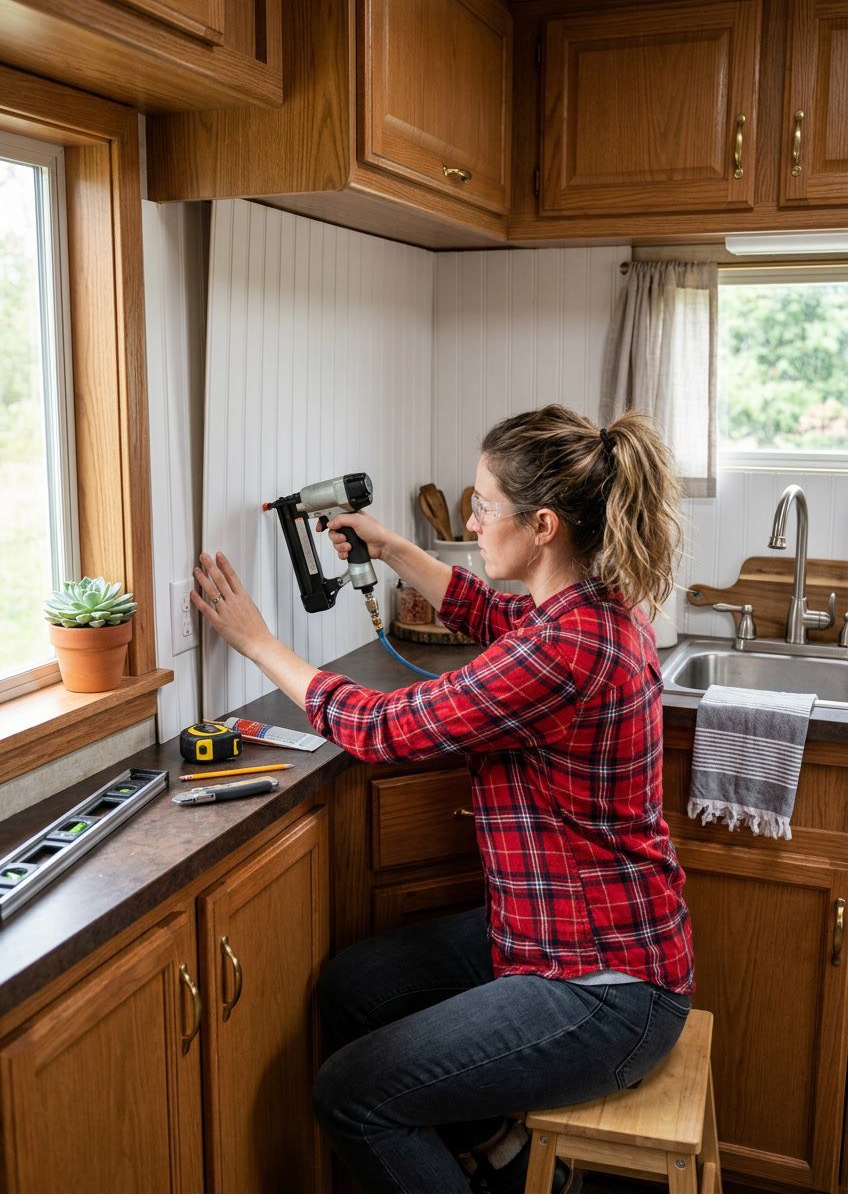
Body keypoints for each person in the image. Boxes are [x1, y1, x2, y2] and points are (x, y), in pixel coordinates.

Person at [191, 405, 694, 1194]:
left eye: (483, 505)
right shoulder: (590, 602)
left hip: (605, 990)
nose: (471, 518)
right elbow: (490, 612)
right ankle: (500, 1156)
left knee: (353, 1095)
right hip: (564, 936)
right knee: (356, 987)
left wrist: (258, 642)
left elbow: (382, 726)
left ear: (543, 527)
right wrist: (392, 548)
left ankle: (490, 1161)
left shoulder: (566, 647)